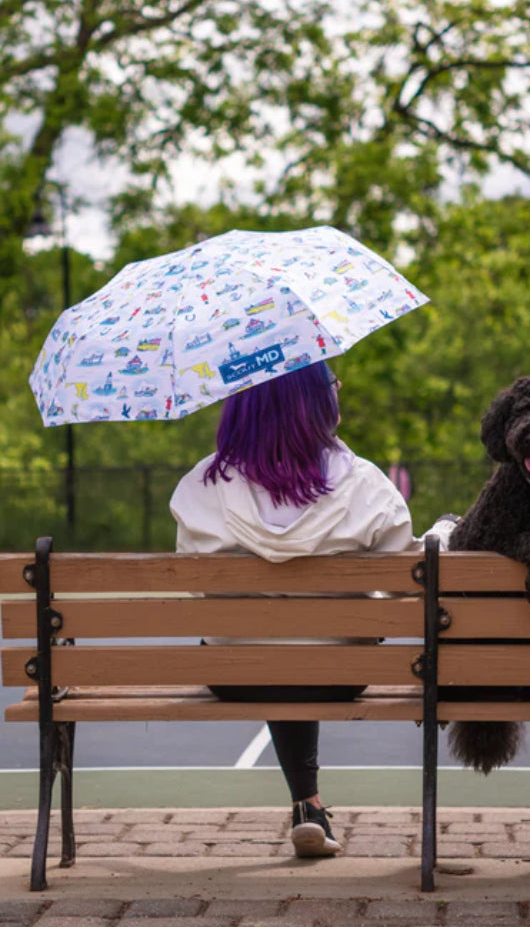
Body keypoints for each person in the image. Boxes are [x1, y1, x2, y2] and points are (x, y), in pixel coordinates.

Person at [170, 362, 454, 859]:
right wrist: (445, 536)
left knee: (271, 647)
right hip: (338, 673)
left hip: (234, 673)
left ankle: (308, 803)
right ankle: (309, 806)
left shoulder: (199, 487)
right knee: (306, 649)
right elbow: (407, 586)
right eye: (330, 382)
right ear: (310, 400)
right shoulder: (364, 484)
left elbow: (198, 593)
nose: (338, 387)